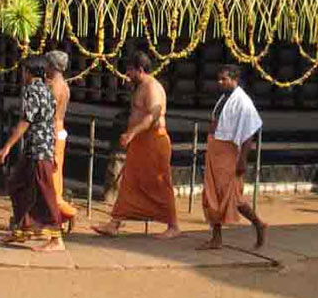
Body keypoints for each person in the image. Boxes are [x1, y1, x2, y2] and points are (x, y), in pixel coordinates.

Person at [93, 52, 182, 239]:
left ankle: (173, 225)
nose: (127, 74)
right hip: (140, 142)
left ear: (140, 70)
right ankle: (114, 223)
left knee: (160, 183)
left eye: (130, 70)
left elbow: (153, 115)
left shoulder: (153, 88)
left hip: (154, 141)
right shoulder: (140, 86)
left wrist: (132, 133)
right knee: (129, 182)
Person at [0, 56, 64, 252]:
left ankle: (56, 237)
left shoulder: (33, 90)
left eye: (23, 71)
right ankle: (22, 228)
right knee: (17, 184)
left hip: (39, 150)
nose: (22, 75)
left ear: (29, 72)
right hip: (37, 148)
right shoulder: (47, 91)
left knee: (45, 191)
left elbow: (26, 121)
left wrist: (7, 146)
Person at [199, 65, 268, 250]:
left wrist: (242, 159)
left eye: (224, 79)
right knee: (211, 194)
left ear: (234, 79)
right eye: (219, 79)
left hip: (229, 152)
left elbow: (249, 133)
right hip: (215, 148)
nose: (220, 82)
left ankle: (258, 223)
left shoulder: (243, 102)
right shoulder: (224, 98)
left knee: (233, 196)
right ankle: (216, 238)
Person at [45, 49, 78, 234]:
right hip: (60, 132)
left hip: (53, 135)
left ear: (53, 67)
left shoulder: (54, 88)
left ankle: (68, 212)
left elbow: (49, 117)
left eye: (48, 65)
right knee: (53, 180)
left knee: (49, 181)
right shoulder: (64, 85)